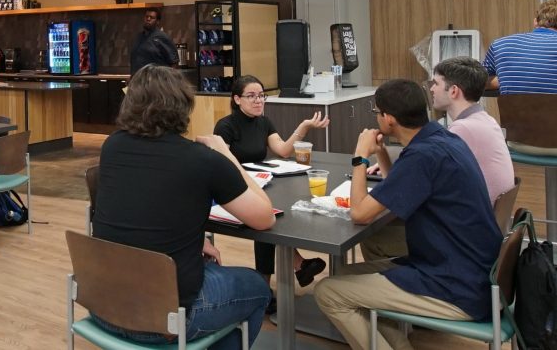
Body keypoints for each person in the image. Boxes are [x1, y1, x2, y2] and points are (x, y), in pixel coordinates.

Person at [92, 65, 275, 349]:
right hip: (164, 319)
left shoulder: (112, 147)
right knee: (258, 287)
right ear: (183, 106)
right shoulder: (202, 160)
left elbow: (144, 203)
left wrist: (197, 238)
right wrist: (226, 153)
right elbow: (265, 218)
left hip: (102, 303)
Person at [314, 79, 501, 350]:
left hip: (455, 285)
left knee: (328, 292)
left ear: (389, 119)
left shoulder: (423, 157)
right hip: (469, 268)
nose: (376, 117)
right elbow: (401, 188)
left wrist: (360, 157)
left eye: (377, 111)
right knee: (343, 274)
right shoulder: (440, 139)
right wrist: (382, 154)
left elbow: (360, 213)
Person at [361, 57, 515, 261]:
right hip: (481, 229)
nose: (431, 89)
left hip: (461, 238)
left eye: (436, 83)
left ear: (453, 91)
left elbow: (421, 168)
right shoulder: (483, 120)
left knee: (375, 231)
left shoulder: (460, 131)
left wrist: (364, 157)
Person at [213, 74, 330, 309]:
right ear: (237, 99)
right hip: (234, 190)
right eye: (251, 96)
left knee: (275, 216)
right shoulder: (226, 126)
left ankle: (275, 282)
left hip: (259, 185)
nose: (258, 101)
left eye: (261, 96)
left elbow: (283, 150)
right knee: (266, 220)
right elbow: (222, 163)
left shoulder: (264, 122)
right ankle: (275, 281)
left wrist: (303, 127)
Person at [483, 0, 557, 94]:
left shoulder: (500, 44)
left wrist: (506, 79)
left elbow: (478, 81)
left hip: (514, 108)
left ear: (535, 22)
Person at [129, 7, 178, 74]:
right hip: (138, 80)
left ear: (157, 22)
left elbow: (174, 62)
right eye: (147, 17)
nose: (148, 19)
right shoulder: (139, 37)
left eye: (152, 17)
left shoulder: (162, 37)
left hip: (155, 80)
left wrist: (168, 80)